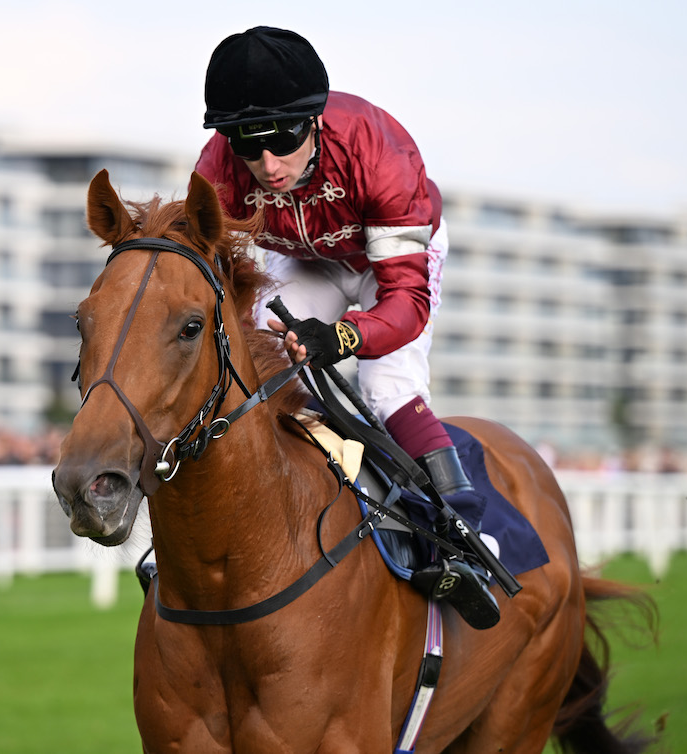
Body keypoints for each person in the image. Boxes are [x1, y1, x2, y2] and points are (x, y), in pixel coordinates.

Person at [195, 26, 498, 628]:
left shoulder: (378, 148)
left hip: (390, 267)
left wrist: (340, 339)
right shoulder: (217, 173)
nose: (268, 165)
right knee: (262, 375)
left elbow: (405, 304)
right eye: (248, 148)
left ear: (314, 121)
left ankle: (463, 531)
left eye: (282, 140)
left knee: (387, 390)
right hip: (304, 261)